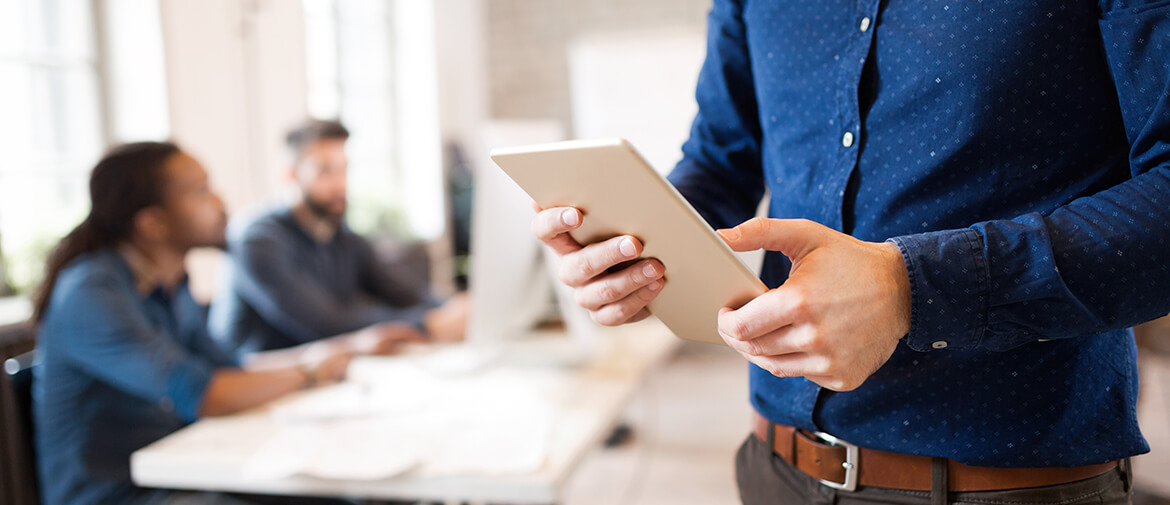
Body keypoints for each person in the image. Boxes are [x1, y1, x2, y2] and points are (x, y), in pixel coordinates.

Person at [531, 1, 1170, 504]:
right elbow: (720, 161)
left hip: (1004, 485)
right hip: (773, 467)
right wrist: (638, 250)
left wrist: (910, 288)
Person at [33, 142, 353, 505]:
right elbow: (203, 394)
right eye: (201, 192)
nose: (220, 202)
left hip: (185, 476)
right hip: (121, 495)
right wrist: (308, 374)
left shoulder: (172, 283)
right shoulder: (91, 291)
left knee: (330, 494)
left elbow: (228, 370)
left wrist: (318, 361)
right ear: (153, 223)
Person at [210, 119, 466, 359]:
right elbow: (325, 324)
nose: (340, 184)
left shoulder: (340, 235)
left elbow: (399, 291)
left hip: (321, 375)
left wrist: (452, 307)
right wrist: (426, 322)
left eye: (343, 169)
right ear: (291, 174)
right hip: (257, 387)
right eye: (325, 171)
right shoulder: (256, 241)